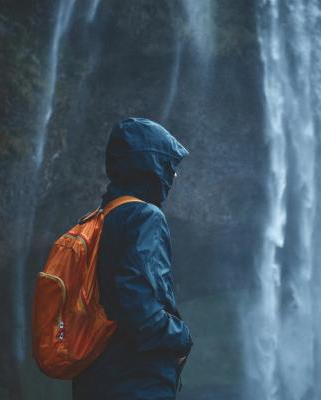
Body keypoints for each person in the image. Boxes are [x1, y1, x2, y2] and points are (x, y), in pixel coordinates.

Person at [72, 118, 193, 400]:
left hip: (95, 378)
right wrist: (181, 338)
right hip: (136, 382)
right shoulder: (144, 217)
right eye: (169, 166)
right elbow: (138, 306)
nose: (173, 177)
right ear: (150, 167)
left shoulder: (99, 218)